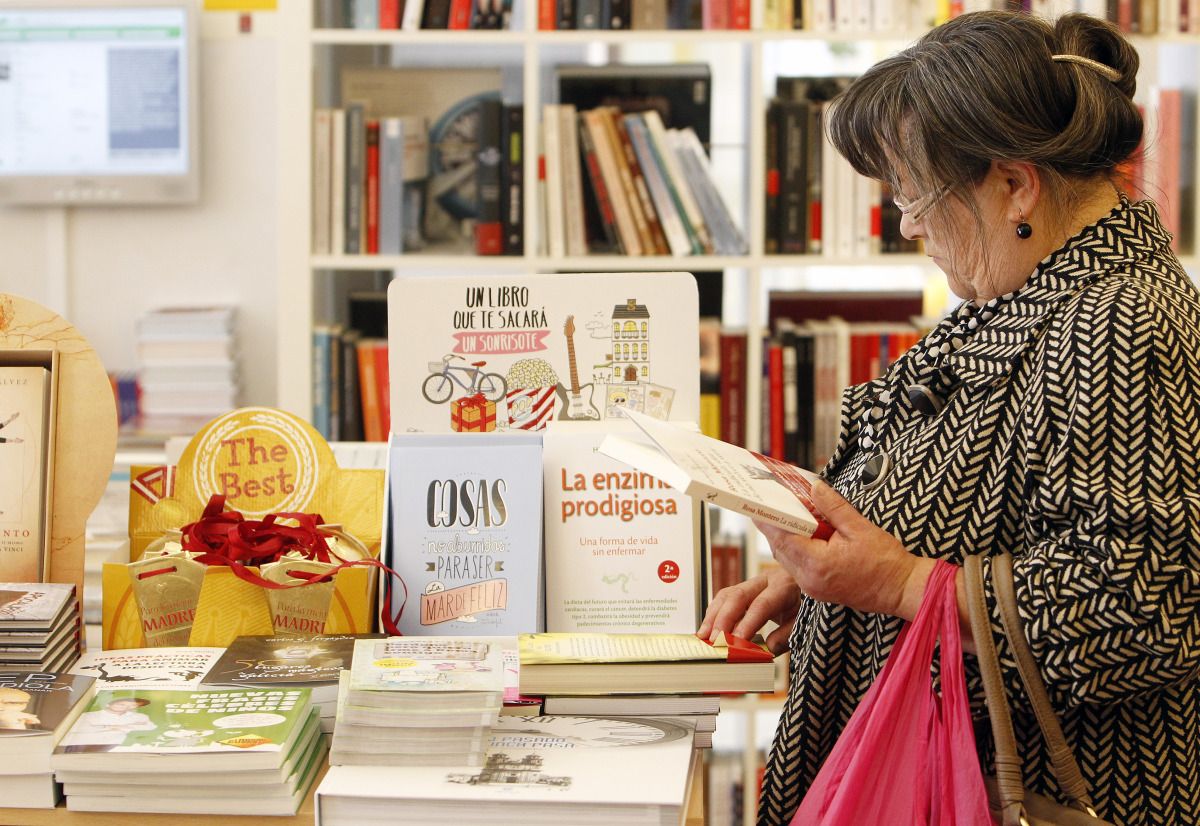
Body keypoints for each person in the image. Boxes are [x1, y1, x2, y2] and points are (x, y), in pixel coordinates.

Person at [699, 11, 1199, 826]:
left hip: (1021, 791)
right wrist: (822, 577)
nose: (908, 223)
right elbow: (968, 506)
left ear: (1013, 185)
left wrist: (897, 583)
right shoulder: (1031, 289)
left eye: (915, 192)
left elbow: (1147, 599)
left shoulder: (1119, 319)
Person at [60, 696, 157, 753]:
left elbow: (150, 727)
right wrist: (108, 727)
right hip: (84, 744)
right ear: (108, 704)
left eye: (132, 705)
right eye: (121, 704)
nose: (126, 707)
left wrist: (118, 727)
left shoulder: (139, 716)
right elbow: (77, 729)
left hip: (114, 745)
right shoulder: (90, 715)